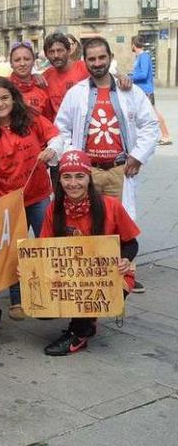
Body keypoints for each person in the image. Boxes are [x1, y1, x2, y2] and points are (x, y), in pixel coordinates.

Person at [55, 37, 159, 293]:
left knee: (120, 225)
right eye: (92, 59)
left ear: (110, 57)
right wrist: (73, 157)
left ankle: (125, 275)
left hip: (118, 169)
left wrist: (137, 155)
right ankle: (90, 276)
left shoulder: (129, 90)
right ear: (85, 61)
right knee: (88, 224)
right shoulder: (76, 92)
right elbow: (61, 128)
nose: (97, 63)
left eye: (102, 57)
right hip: (87, 172)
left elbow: (151, 125)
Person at [40, 150, 140, 356]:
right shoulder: (53, 209)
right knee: (40, 305)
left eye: (79, 176)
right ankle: (88, 321)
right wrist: (29, 270)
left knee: (88, 288)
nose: (73, 183)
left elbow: (132, 243)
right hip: (71, 274)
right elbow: (43, 251)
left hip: (109, 274)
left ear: (89, 178)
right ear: (59, 180)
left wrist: (125, 259)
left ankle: (79, 334)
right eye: (67, 177)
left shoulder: (110, 205)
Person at [0, 77, 63, 320]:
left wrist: (52, 149)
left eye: (4, 97)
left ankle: (50, 294)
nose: (0, 103)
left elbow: (56, 136)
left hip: (38, 194)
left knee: (45, 244)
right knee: (15, 250)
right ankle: (17, 299)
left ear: (13, 97)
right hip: (10, 199)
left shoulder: (31, 118)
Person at [130, 35, 171, 145]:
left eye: (131, 44)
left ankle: (166, 136)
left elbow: (143, 74)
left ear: (133, 44)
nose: (131, 46)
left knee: (154, 112)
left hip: (146, 90)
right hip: (141, 90)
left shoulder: (144, 56)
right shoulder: (140, 57)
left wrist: (130, 78)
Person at [42, 32, 91, 113]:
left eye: (60, 50)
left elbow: (106, 78)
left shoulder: (84, 68)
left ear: (68, 51)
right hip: (58, 124)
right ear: (46, 55)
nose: (56, 55)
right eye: (51, 52)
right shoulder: (45, 78)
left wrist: (119, 78)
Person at [9, 42, 54, 121]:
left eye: (27, 59)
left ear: (33, 62)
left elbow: (49, 121)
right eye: (17, 60)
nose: (22, 64)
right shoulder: (3, 87)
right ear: (11, 64)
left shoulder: (42, 88)